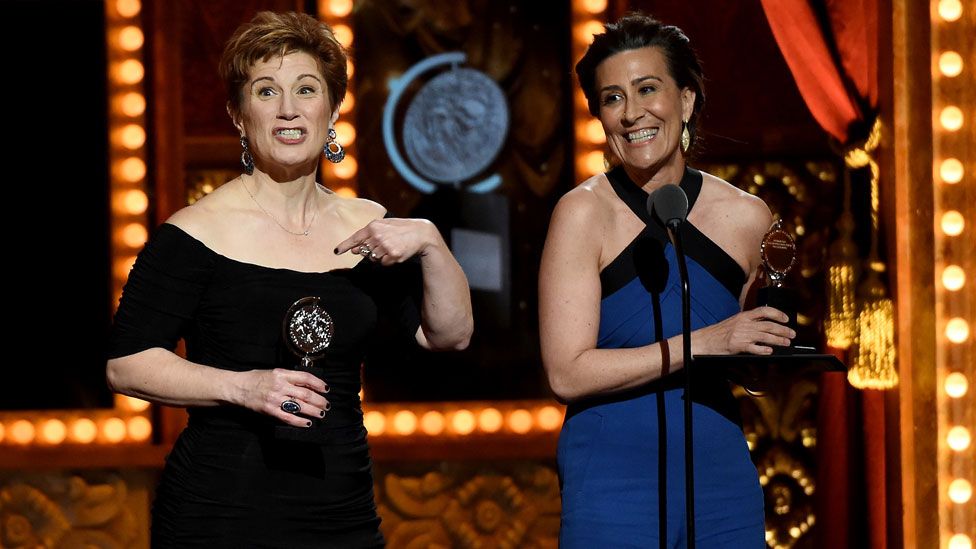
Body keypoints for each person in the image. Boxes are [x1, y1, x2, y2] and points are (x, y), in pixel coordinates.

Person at [106, 11, 472, 547]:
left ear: (332, 109)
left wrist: (433, 244)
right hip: (219, 513)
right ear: (238, 114)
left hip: (341, 509)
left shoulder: (369, 226)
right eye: (266, 91)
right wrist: (243, 387)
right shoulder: (193, 233)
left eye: (306, 89)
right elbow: (126, 365)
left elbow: (449, 334)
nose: (288, 110)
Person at [539, 13, 794, 547]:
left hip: (722, 478)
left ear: (686, 101)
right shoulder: (582, 214)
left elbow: (755, 371)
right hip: (611, 480)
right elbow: (567, 373)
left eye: (647, 89)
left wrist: (767, 352)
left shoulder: (748, 217)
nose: (632, 114)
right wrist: (709, 342)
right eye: (612, 98)